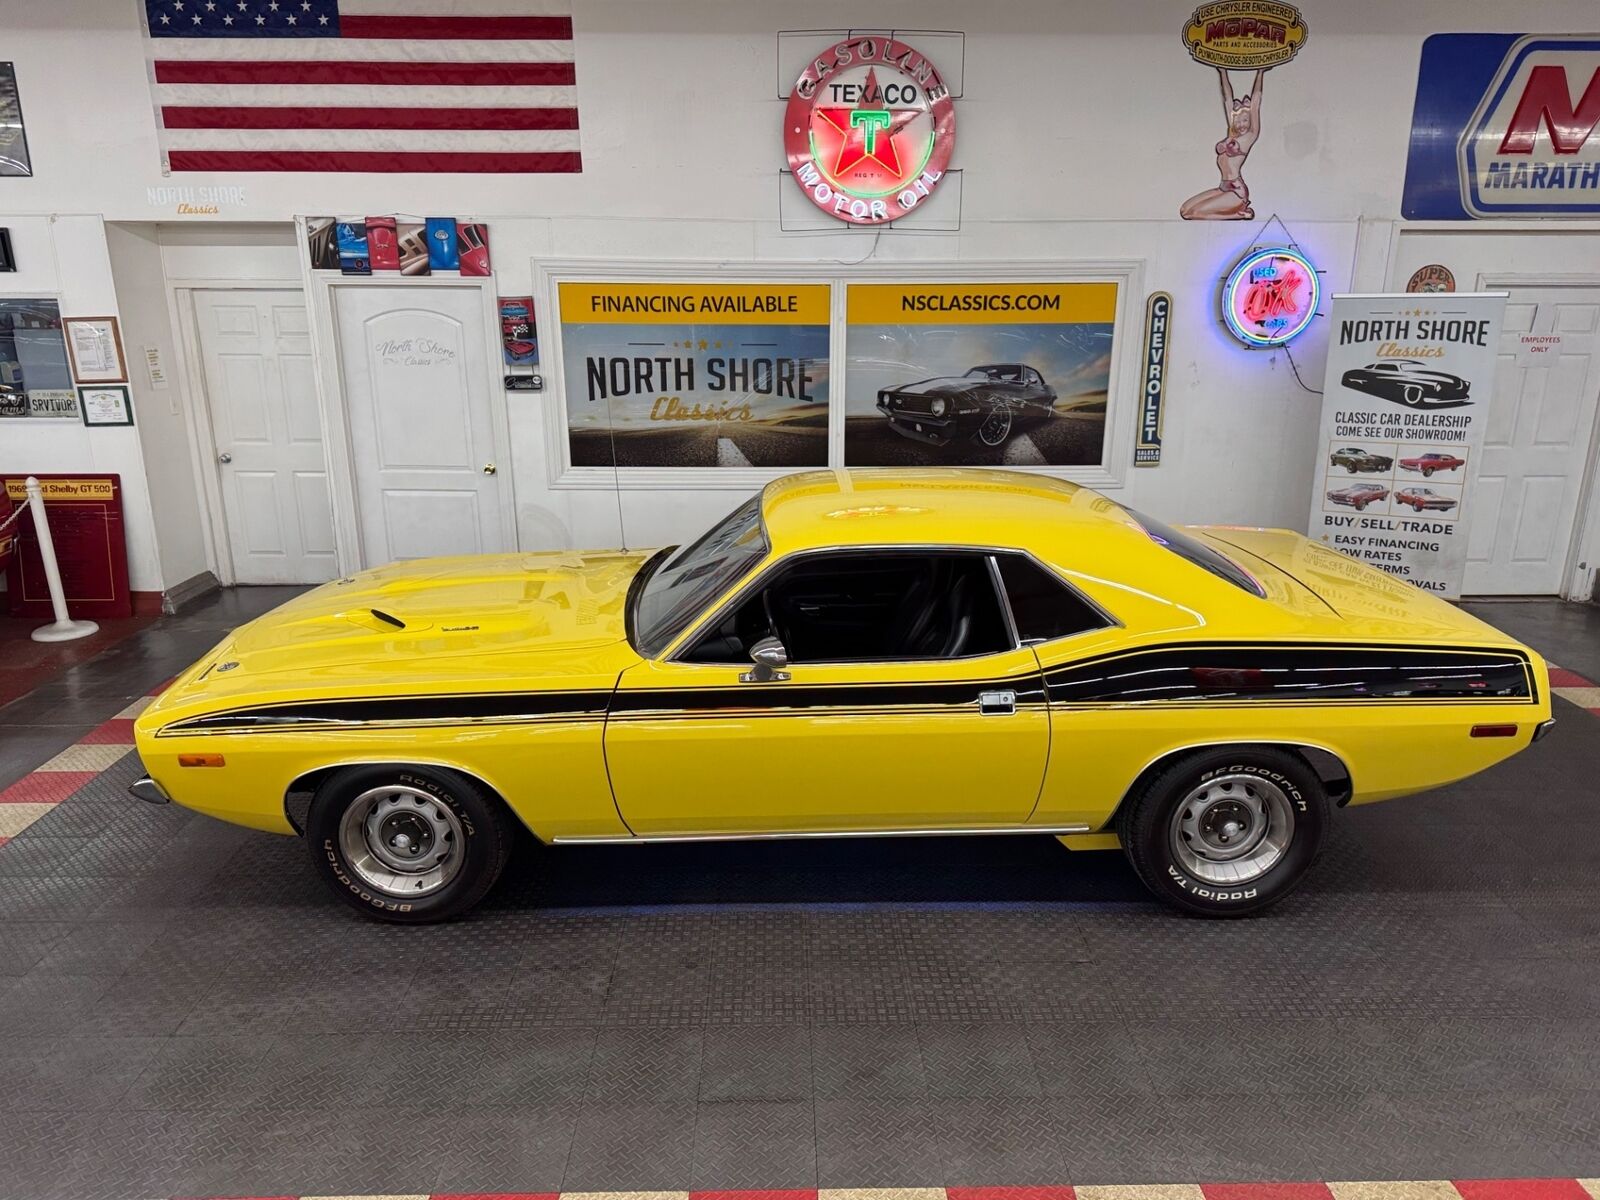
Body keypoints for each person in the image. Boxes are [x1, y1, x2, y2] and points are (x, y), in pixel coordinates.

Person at [1180, 67, 1263, 220]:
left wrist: (1260, 73)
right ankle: (1236, 212)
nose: (1241, 124)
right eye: (1238, 121)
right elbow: (1227, 99)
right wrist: (1222, 72)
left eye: (1245, 120)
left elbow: (1255, 103)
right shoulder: (1232, 135)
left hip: (1236, 193)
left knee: (1195, 214)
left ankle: (1239, 214)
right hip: (1223, 188)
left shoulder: (1249, 137)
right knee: (1185, 210)